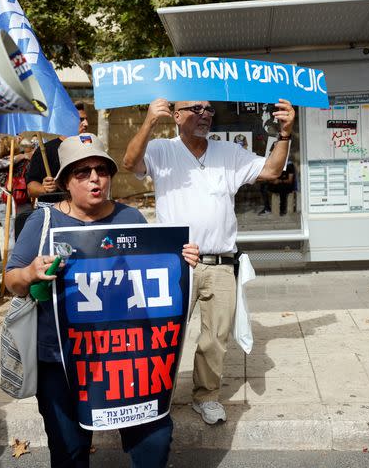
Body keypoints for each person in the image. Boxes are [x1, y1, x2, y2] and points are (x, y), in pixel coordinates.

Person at [6, 133, 199, 468]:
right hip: (61, 360)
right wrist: (30, 273)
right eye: (82, 172)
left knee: (154, 437)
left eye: (101, 170)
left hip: (127, 355)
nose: (94, 178)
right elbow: (11, 280)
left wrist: (179, 259)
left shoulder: (132, 218)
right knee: (69, 450)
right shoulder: (43, 221)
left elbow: (152, 276)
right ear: (66, 181)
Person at [122, 98, 295, 424]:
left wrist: (285, 134)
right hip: (175, 263)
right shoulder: (161, 149)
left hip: (220, 262)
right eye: (195, 109)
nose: (205, 115)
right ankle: (154, 394)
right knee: (163, 333)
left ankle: (206, 396)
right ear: (175, 115)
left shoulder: (228, 154)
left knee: (215, 337)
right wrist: (147, 121)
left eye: (209, 109)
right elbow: (130, 163)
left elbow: (272, 170)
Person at [25, 101, 90, 208]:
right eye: (81, 120)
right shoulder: (45, 150)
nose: (86, 124)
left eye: (86, 119)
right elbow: (31, 188)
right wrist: (43, 188)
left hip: (83, 210)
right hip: (52, 211)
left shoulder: (89, 146)